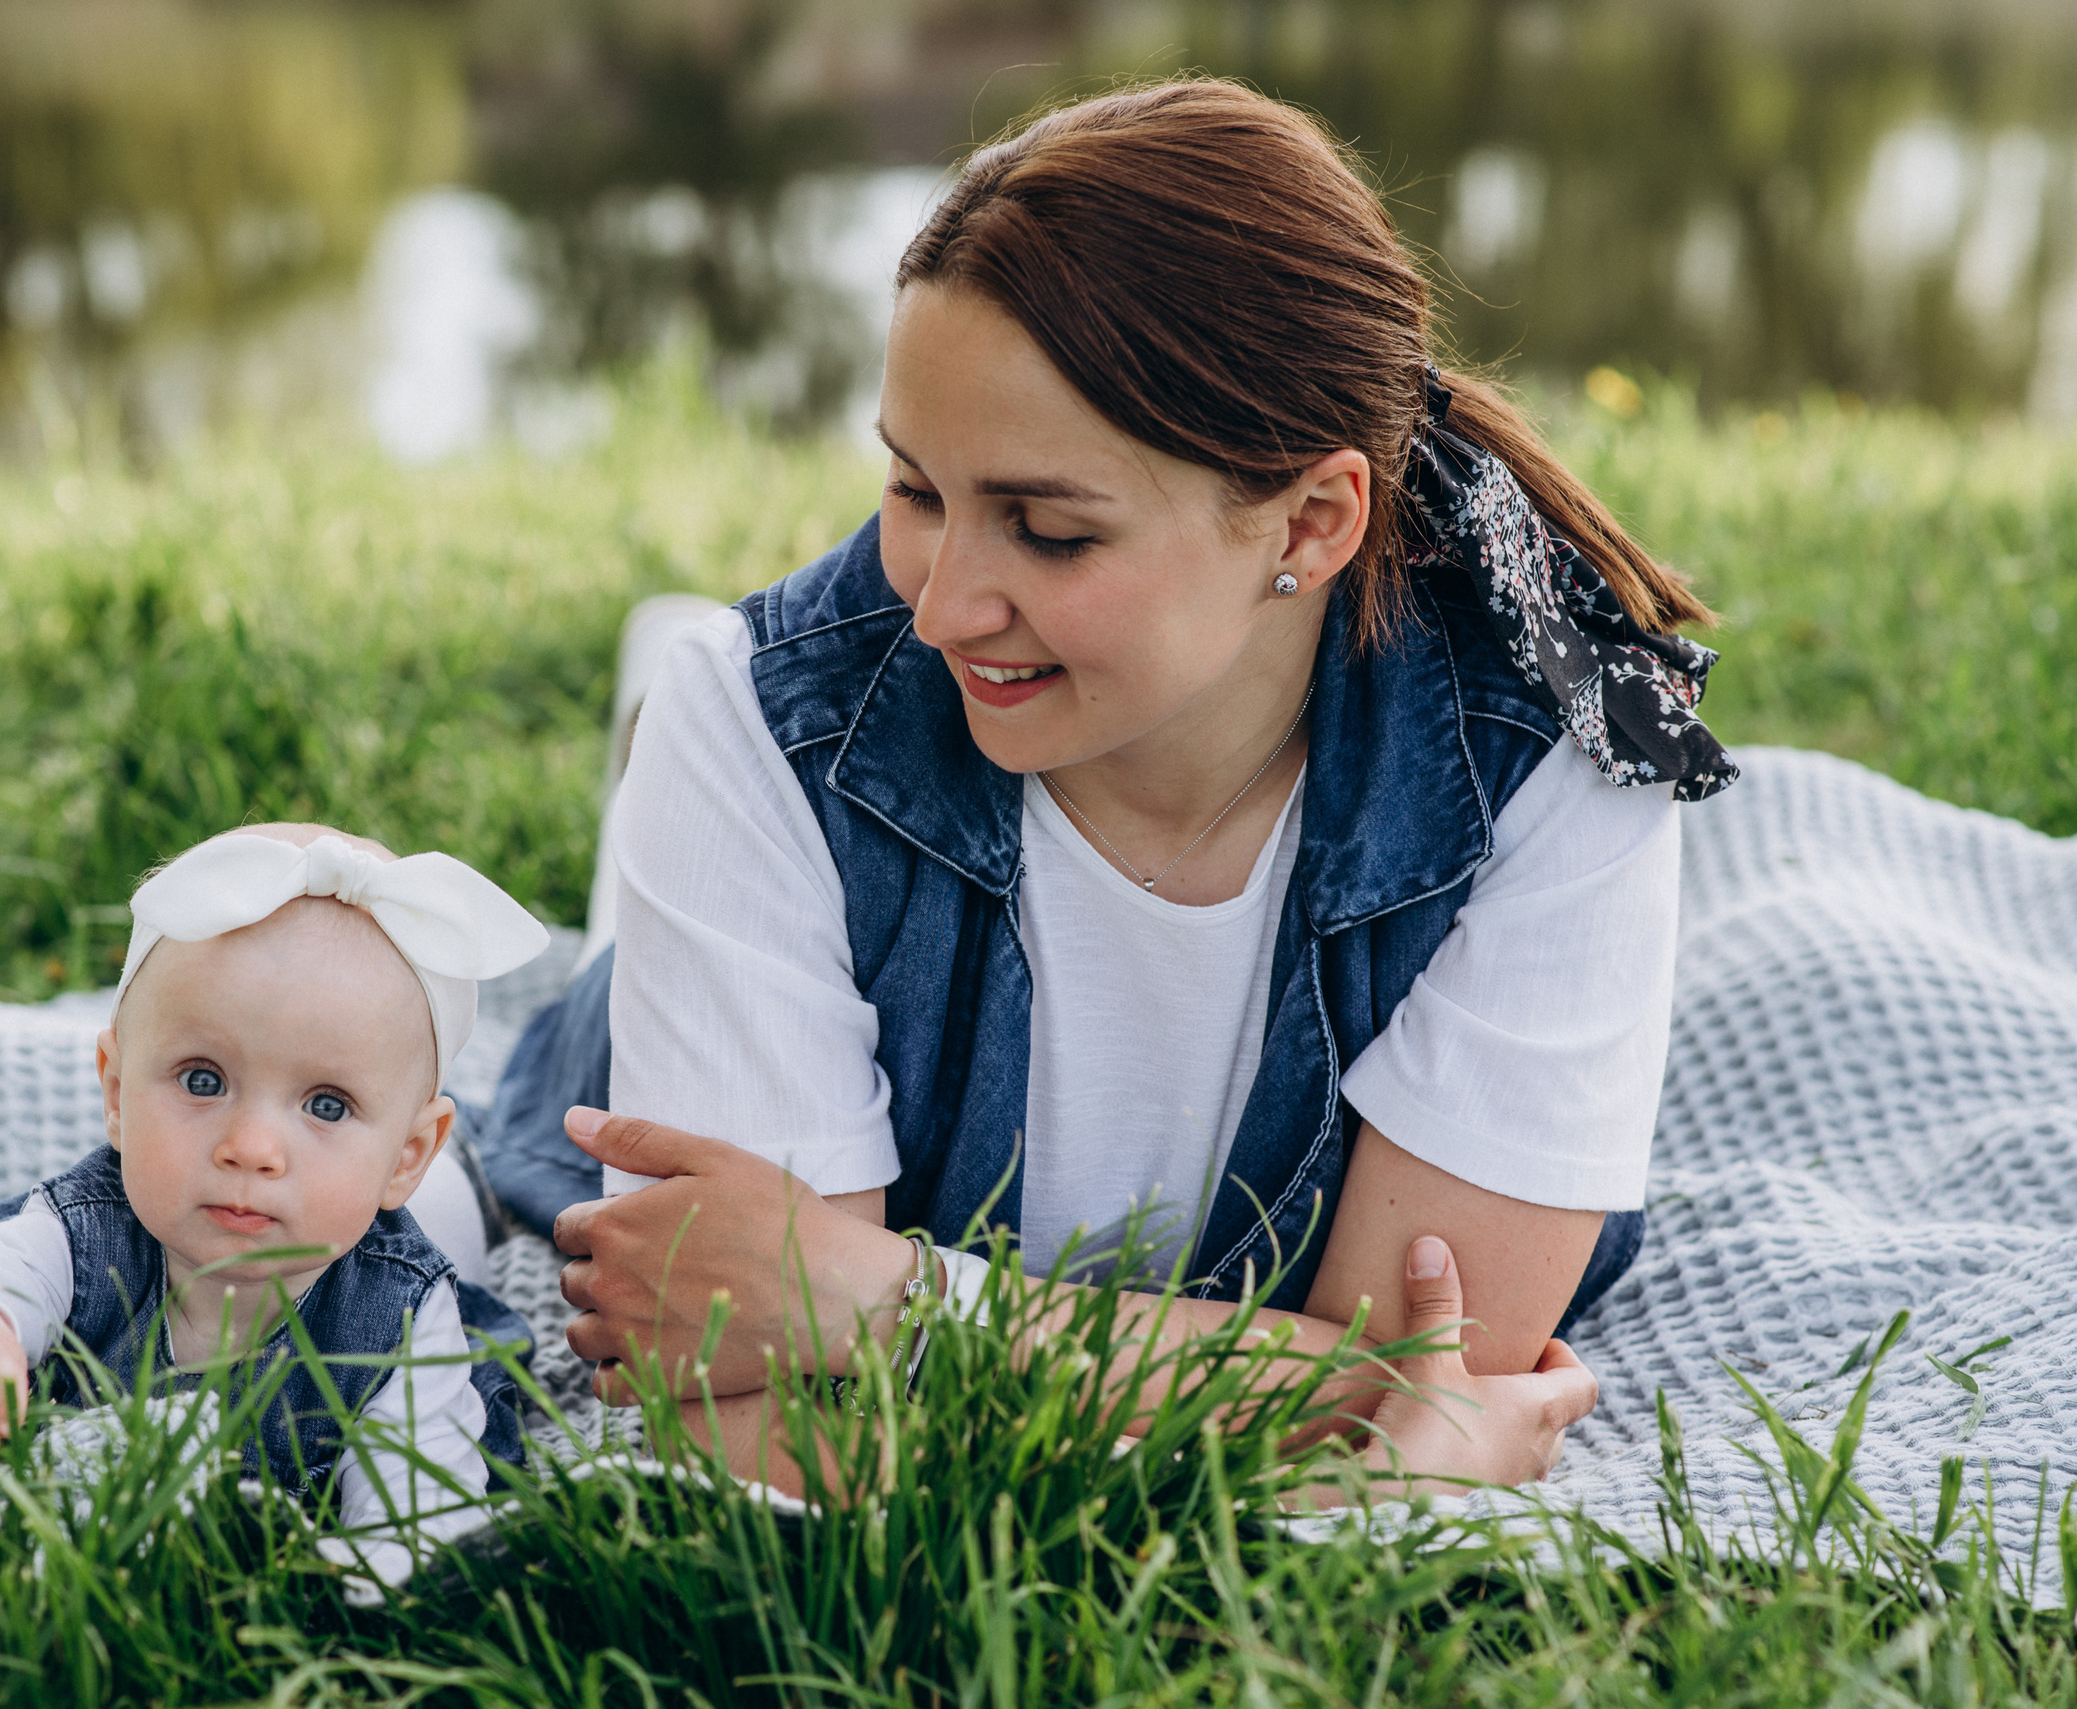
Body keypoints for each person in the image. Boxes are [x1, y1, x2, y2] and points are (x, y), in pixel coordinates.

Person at [498, 80, 1738, 1493]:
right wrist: (1318, 1420)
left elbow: (1440, 1371)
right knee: (685, 786)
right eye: (915, 491)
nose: (945, 604)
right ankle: (648, 740)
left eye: (1046, 529)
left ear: (1313, 520)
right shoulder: (756, 716)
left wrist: (874, 1297)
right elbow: (753, 1435)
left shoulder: (1565, 745)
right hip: (713, 869)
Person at [0, 823, 548, 1576]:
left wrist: (379, 1592)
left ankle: (476, 1158)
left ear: (406, 1155)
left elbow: (420, 1514)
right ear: (116, 1092)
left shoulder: (402, 1317)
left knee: (473, 1207)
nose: (252, 1146)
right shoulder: (80, 1235)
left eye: (327, 1105)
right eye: (203, 1080)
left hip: (433, 1215)